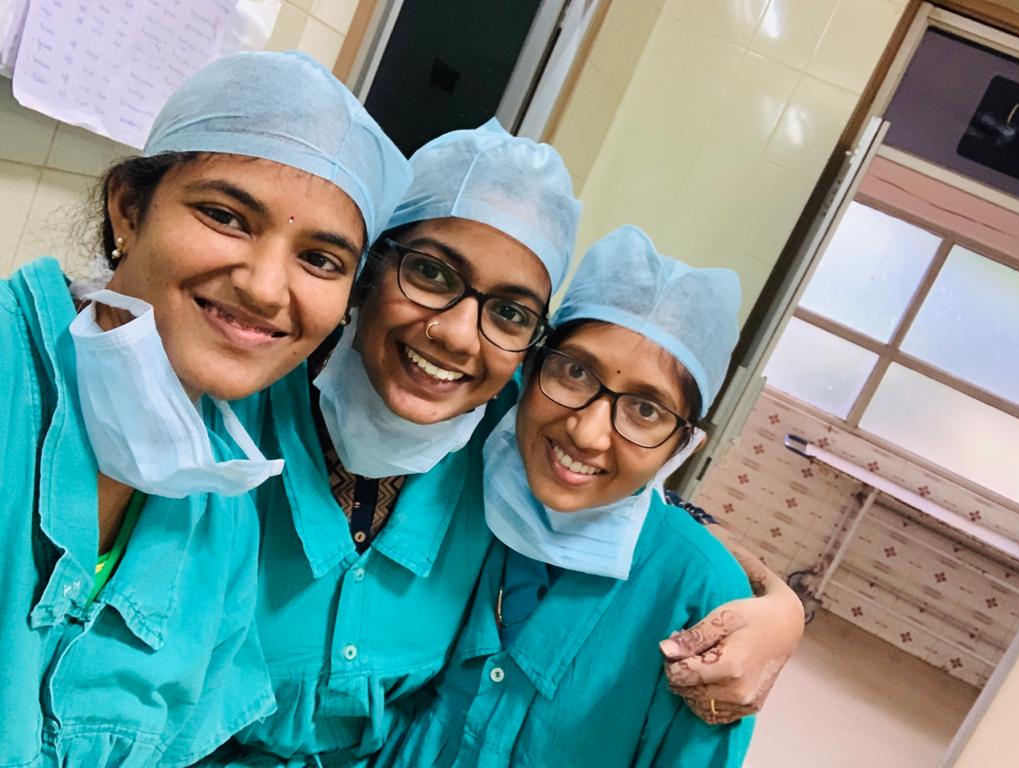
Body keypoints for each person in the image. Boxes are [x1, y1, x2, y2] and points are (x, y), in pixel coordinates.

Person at [211, 123, 799, 767]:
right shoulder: (243, 396)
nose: (459, 336)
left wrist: (781, 605)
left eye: (510, 313)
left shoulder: (493, 421)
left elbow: (651, 514)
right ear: (369, 267)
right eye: (431, 273)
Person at [0, 50, 409, 766]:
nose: (264, 287)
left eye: (321, 260)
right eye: (226, 216)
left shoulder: (222, 514)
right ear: (129, 209)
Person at [376, 225, 754, 767]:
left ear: (683, 446)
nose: (587, 433)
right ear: (531, 367)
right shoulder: (457, 473)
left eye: (646, 410)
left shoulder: (699, 595)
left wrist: (781, 607)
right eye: (575, 372)